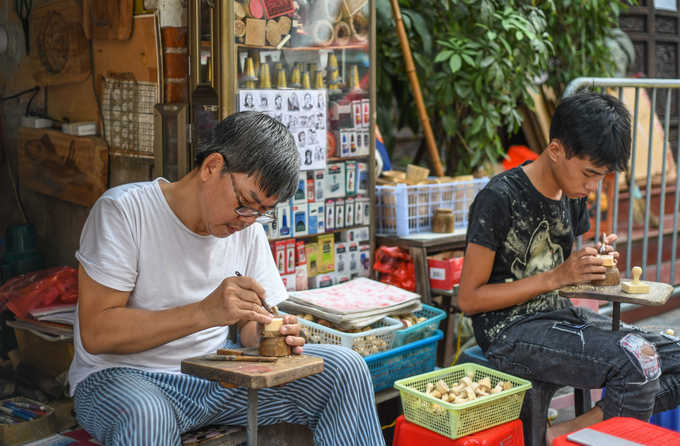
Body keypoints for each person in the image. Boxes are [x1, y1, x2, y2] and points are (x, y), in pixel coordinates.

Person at [69, 112, 385, 446]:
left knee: (344, 369)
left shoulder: (247, 228)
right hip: (122, 379)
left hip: (216, 374)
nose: (248, 220)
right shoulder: (125, 211)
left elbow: (251, 329)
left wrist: (269, 333)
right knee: (147, 415)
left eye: (262, 212)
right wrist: (205, 312)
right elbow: (96, 332)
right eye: (246, 202)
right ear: (211, 167)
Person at [457, 92, 680, 445]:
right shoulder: (500, 197)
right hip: (509, 332)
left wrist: (593, 264)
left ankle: (564, 433)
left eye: (602, 177)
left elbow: (563, 278)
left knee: (672, 356)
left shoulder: (573, 194)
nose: (593, 186)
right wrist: (558, 276)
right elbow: (468, 299)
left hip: (559, 317)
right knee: (636, 364)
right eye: (590, 174)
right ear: (556, 150)